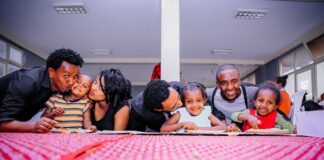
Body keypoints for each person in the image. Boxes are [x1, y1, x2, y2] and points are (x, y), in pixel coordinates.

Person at [0, 48, 83, 133]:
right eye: (66, 76)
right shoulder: (28, 81)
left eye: (75, 77)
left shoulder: (59, 86)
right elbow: (2, 122)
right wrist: (33, 126)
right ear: (51, 72)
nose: (71, 82)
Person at [161, 82, 227, 132]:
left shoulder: (206, 113)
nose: (194, 105)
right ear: (184, 102)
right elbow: (163, 129)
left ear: (204, 101)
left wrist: (198, 129)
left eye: (198, 100)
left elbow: (223, 127)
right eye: (189, 101)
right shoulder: (181, 113)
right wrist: (182, 124)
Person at [231, 84, 295, 133]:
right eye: (261, 101)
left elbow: (288, 126)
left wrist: (294, 130)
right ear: (255, 102)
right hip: (249, 144)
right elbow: (233, 116)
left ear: (275, 107)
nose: (264, 105)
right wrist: (248, 117)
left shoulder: (276, 116)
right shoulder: (249, 112)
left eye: (270, 102)